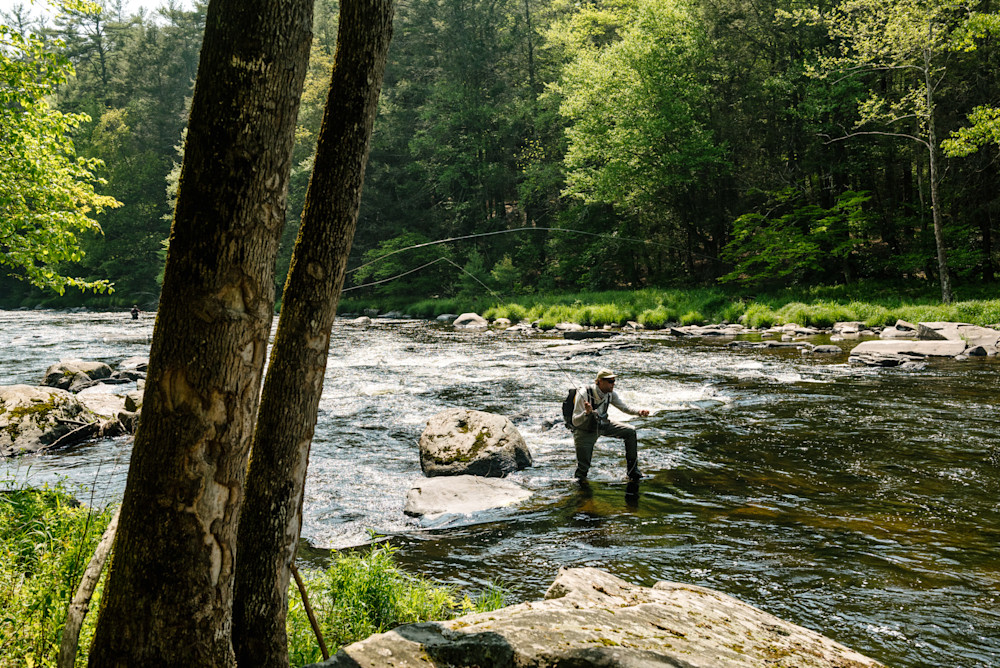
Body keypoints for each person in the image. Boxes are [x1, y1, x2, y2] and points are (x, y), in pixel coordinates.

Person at [571, 368, 650, 481]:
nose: (613, 384)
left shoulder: (610, 394)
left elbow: (624, 407)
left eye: (613, 381)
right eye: (610, 381)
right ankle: (581, 493)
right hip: (585, 431)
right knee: (583, 470)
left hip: (602, 424)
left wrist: (639, 412)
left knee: (630, 432)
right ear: (599, 381)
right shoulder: (584, 394)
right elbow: (575, 421)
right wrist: (586, 413)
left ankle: (633, 472)